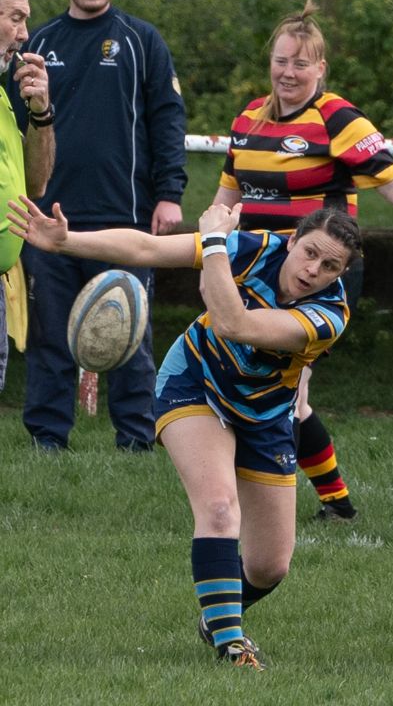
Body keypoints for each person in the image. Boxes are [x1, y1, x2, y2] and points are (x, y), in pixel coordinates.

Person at [8, 196, 363, 670]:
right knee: (218, 508)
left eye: (330, 265)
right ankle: (232, 644)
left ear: (340, 275)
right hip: (194, 381)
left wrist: (214, 241)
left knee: (270, 565)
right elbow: (148, 249)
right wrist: (66, 240)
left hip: (265, 414)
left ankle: (218, 616)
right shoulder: (255, 248)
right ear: (293, 240)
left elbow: (236, 325)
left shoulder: (329, 316)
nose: (313, 268)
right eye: (310, 252)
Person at [211, 0, 393, 519]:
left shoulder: (338, 118)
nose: (288, 72)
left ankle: (280, 504)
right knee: (286, 394)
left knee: (286, 390)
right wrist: (211, 243)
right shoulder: (247, 117)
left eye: (300, 63)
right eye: (281, 61)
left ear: (321, 69)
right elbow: (227, 196)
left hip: (318, 276)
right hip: (260, 267)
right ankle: (332, 504)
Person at [7, 0, 187, 452]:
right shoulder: (36, 44)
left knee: (129, 335)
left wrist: (169, 193)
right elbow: (14, 129)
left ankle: (136, 436)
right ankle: (47, 437)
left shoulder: (141, 40)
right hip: (48, 220)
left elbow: (167, 120)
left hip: (125, 219)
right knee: (50, 336)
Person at [0, 0, 54, 391]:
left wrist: (40, 111)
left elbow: (35, 185)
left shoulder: (2, 95)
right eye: (16, 18)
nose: (24, 33)